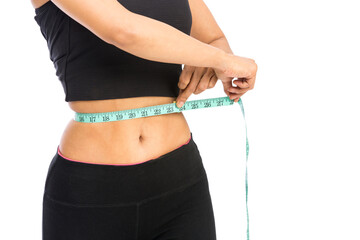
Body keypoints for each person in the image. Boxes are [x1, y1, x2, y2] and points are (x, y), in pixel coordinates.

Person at [31, 0, 257, 239]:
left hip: (181, 182)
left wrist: (212, 59)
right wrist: (218, 60)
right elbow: (123, 30)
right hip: (92, 190)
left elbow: (213, 39)